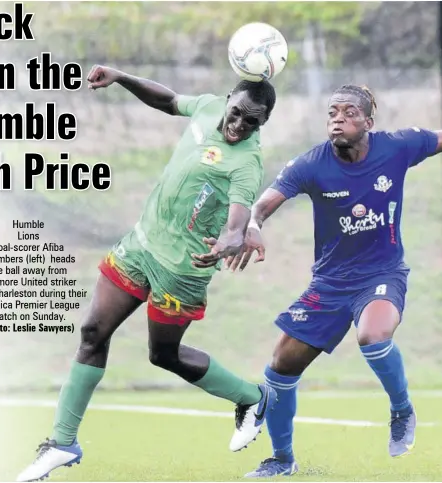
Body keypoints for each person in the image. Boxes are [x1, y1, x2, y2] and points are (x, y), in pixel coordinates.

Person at [218, 84, 442, 477]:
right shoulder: (311, 164)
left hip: (382, 274)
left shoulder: (398, 146)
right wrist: (254, 225)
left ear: (368, 121)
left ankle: (401, 409)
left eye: (349, 112)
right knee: (279, 369)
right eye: (333, 112)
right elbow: (263, 204)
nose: (338, 119)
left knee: (372, 336)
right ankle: (282, 459)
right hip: (329, 285)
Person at [15, 65, 279, 482]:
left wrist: (231, 240)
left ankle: (252, 398)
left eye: (253, 121)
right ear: (229, 98)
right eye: (239, 112)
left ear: (262, 124)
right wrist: (121, 77)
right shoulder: (208, 107)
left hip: (182, 269)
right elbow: (169, 100)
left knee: (164, 355)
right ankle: (62, 443)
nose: (240, 124)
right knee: (92, 334)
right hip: (141, 245)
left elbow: (236, 222)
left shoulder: (247, 162)